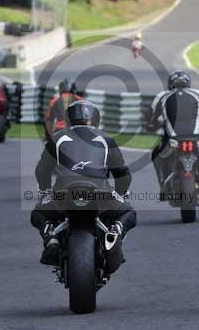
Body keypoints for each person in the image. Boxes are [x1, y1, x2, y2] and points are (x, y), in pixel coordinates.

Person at [31, 100, 137, 265]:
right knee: (128, 212)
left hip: (64, 193)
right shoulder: (106, 138)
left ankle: (51, 238)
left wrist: (45, 192)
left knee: (38, 213)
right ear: (96, 118)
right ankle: (115, 231)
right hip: (100, 193)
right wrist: (121, 193)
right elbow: (123, 174)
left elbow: (42, 171)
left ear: (68, 118)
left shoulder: (57, 137)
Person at [149, 70, 199, 197]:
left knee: (156, 153)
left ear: (170, 84)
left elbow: (150, 116)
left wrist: (151, 125)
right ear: (188, 83)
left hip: (172, 139)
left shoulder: (163, 96)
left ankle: (163, 185)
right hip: (197, 138)